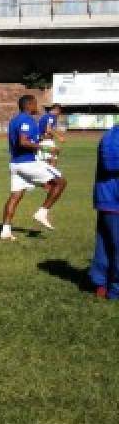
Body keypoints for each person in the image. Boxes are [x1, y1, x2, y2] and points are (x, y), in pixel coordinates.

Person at [1, 94, 67, 240]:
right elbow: (23, 142)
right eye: (35, 103)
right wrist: (47, 149)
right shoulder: (26, 120)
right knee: (61, 181)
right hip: (27, 162)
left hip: (15, 164)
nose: (37, 106)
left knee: (15, 196)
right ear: (29, 105)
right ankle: (42, 212)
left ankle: (5, 231)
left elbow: (29, 139)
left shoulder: (14, 120)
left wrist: (41, 140)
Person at [90, 124, 119, 300]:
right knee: (112, 244)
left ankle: (100, 282)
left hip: (110, 199)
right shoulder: (113, 136)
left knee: (107, 244)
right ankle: (114, 289)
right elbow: (109, 163)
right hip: (112, 199)